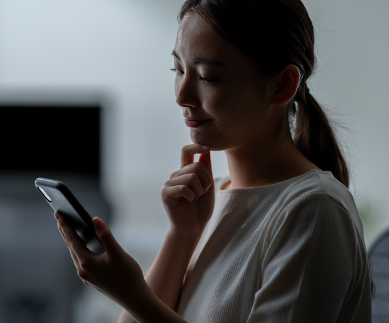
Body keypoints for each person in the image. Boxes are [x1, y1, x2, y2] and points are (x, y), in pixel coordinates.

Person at [55, 0, 373, 322]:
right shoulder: (211, 200)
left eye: (208, 77)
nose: (182, 95)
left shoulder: (314, 209)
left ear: (282, 86)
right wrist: (182, 234)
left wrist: (130, 292)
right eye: (178, 70)